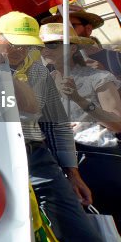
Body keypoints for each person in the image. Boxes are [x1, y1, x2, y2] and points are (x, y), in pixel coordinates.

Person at [0, 11, 114, 242]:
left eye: (28, 44)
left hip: (36, 159)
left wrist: (72, 172)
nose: (23, 50)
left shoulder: (38, 71)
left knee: (86, 241)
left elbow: (56, 124)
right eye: (15, 43)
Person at [40, 23, 121, 225]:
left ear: (72, 48)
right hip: (62, 164)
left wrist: (80, 100)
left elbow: (118, 123)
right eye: (40, 45)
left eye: (52, 44)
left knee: (110, 225)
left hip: (96, 160)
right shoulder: (44, 82)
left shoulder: (97, 77)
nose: (44, 49)